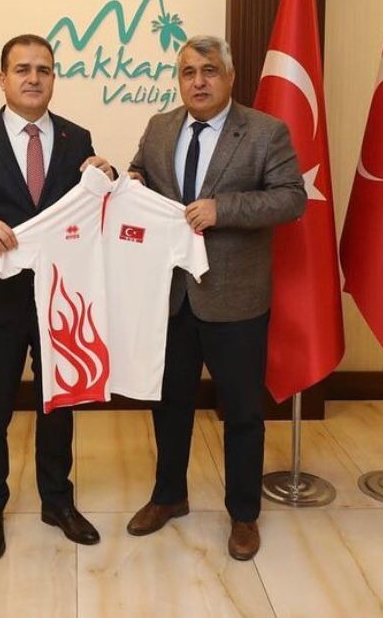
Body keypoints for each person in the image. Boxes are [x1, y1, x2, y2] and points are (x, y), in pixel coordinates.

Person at [125, 35, 306, 560]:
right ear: (179, 80)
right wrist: (132, 179)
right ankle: (169, 496)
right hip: (171, 296)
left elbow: (291, 199)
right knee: (169, 404)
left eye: (208, 71)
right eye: (188, 72)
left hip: (236, 299)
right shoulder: (160, 128)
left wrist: (223, 209)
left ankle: (244, 514)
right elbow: (143, 173)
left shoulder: (265, 131)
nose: (198, 81)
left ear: (229, 77)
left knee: (242, 412)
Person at [0, 33, 113, 560]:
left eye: (44, 69)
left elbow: (91, 209)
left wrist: (104, 178)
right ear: (2, 79)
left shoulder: (78, 138)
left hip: (62, 300)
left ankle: (57, 501)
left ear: (53, 78)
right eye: (22, 69)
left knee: (58, 404)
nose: (34, 78)